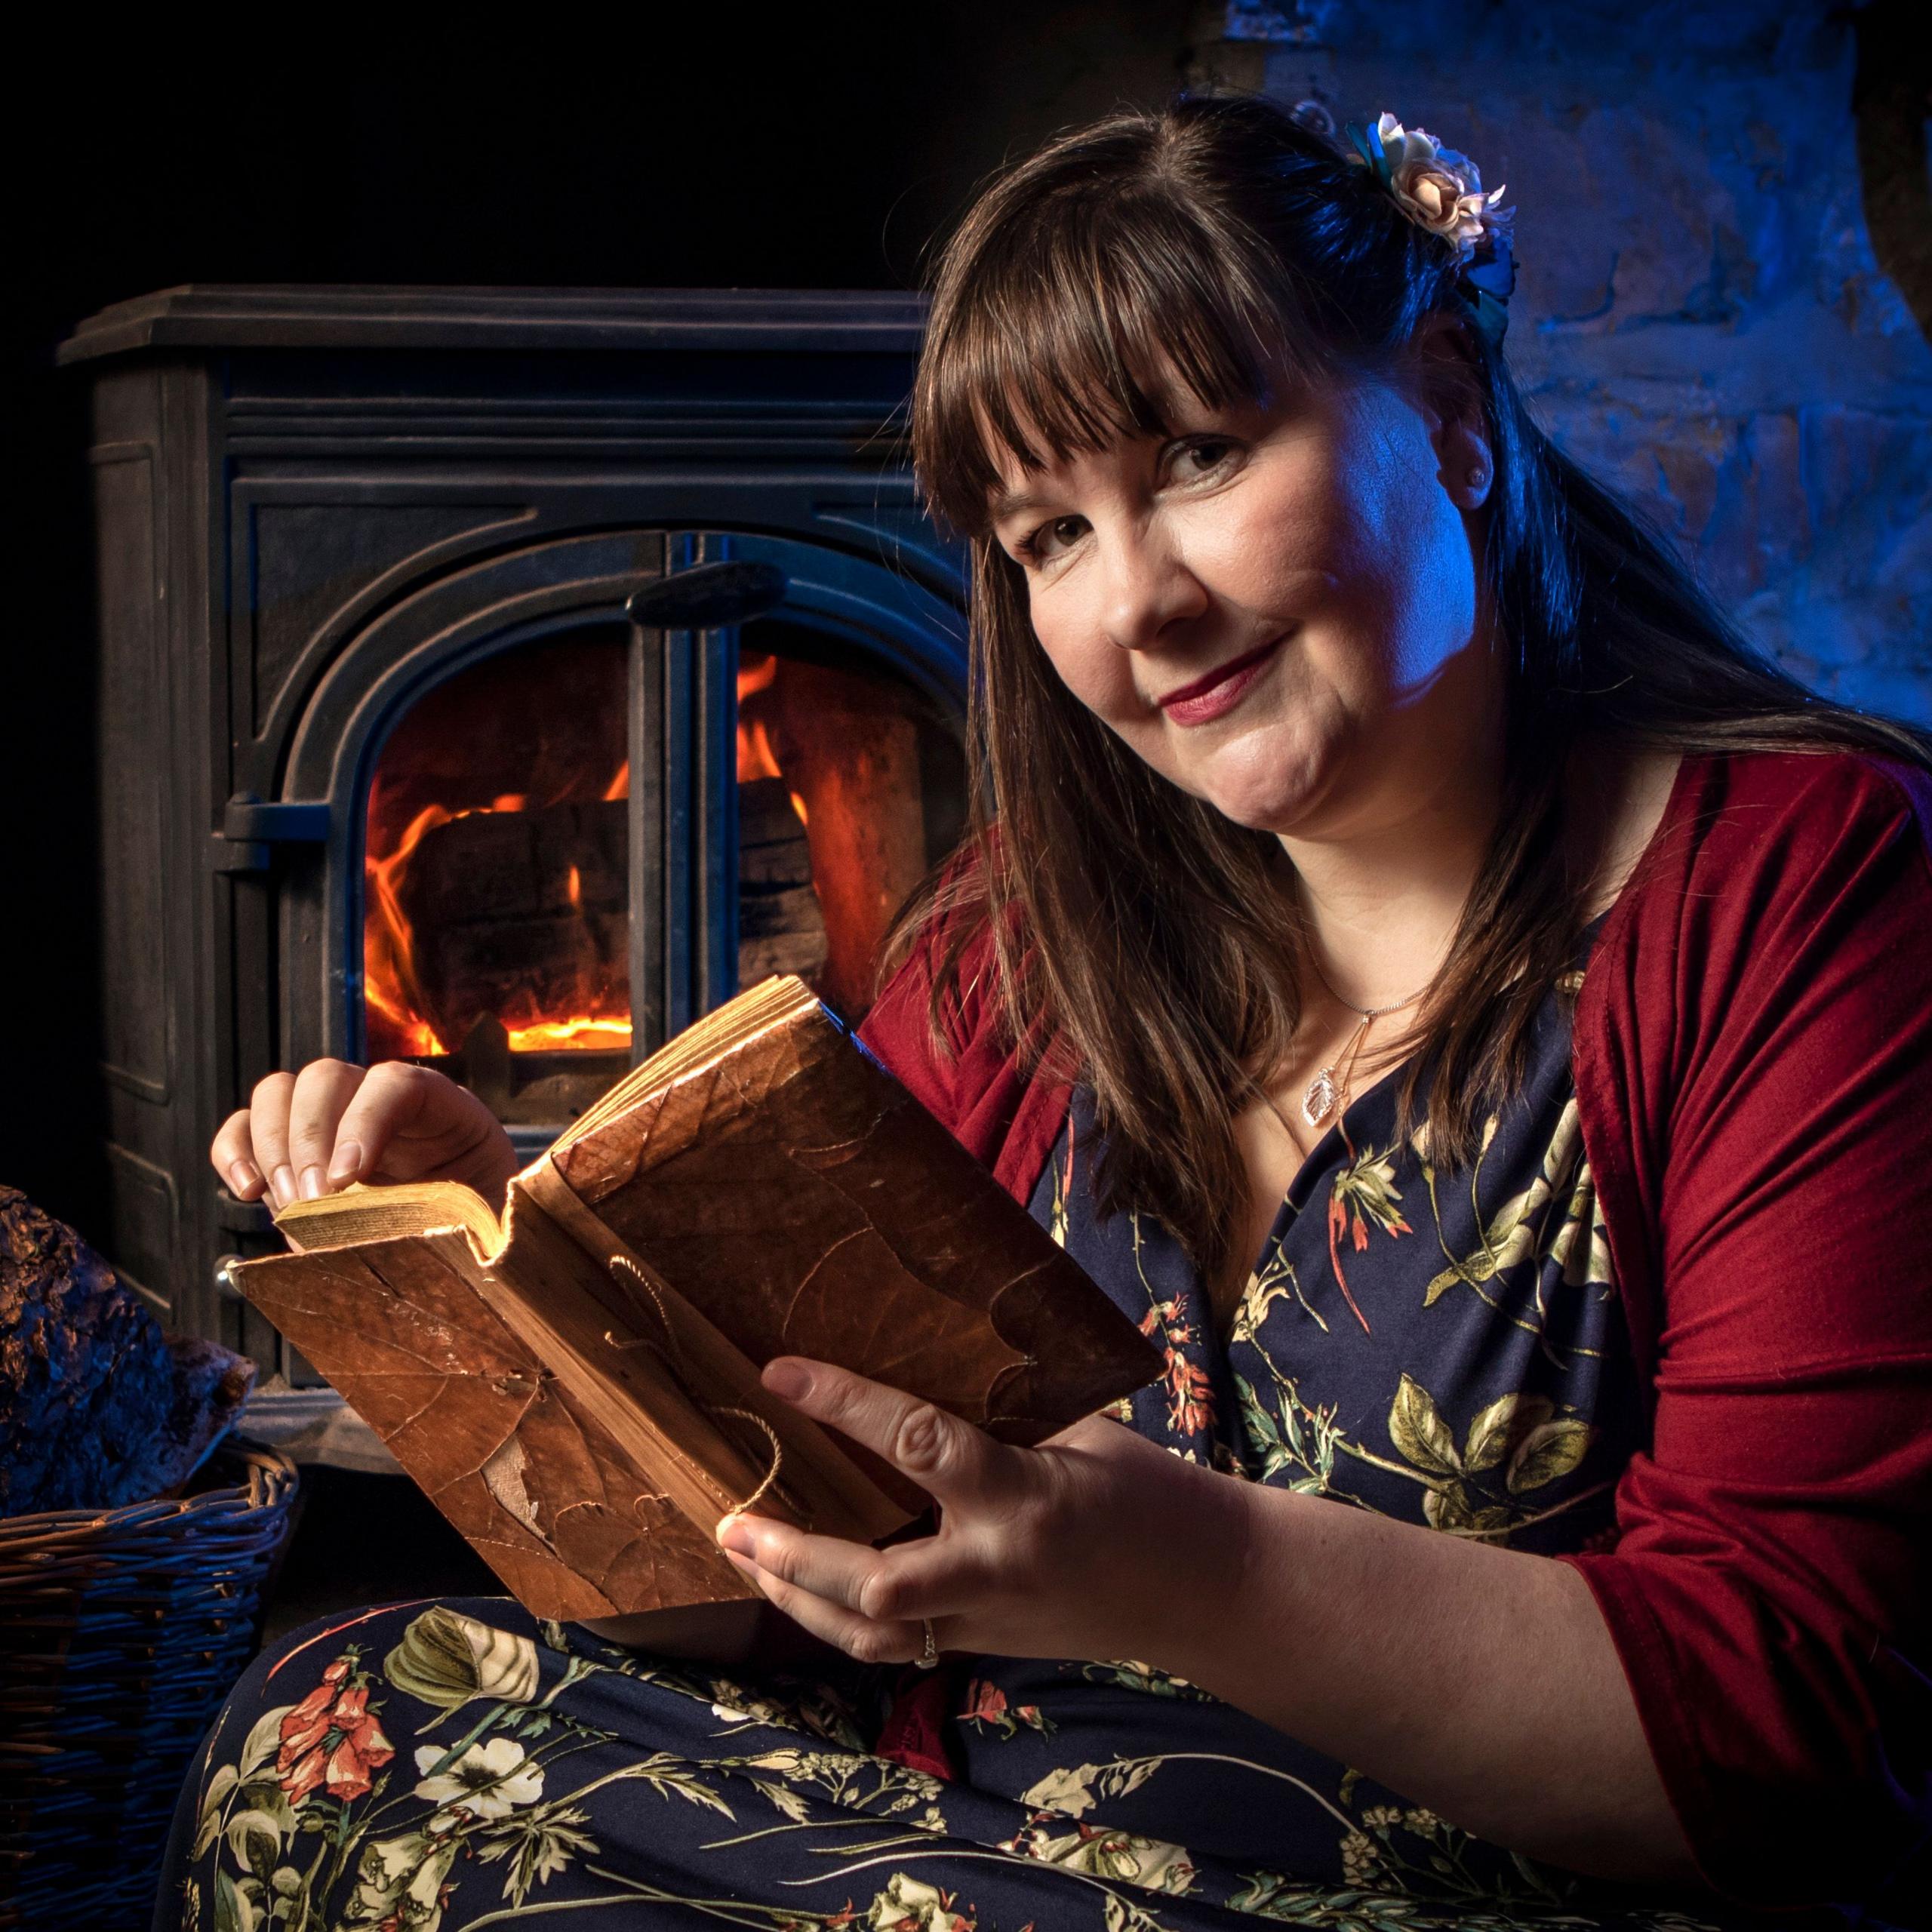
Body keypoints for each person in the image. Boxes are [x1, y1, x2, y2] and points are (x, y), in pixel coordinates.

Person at [175, 96, 1931, 1931]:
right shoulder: (1013, 938)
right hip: (970, 1845)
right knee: (341, 1714)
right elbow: (806, 1578)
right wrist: (518, 1298)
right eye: (1047, 535)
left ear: (1446, 407)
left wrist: (1180, 1570)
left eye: (1195, 454)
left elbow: (1788, 1727)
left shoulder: (1797, 891)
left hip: (1445, 1897)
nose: (1139, 608)